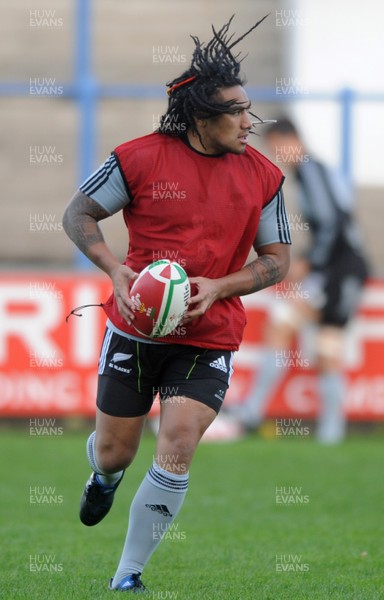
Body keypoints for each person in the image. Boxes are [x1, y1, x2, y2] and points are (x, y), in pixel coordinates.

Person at [63, 15, 291, 593]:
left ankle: (127, 575)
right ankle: (103, 475)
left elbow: (277, 261)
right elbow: (78, 213)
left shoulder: (263, 176)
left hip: (209, 334)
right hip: (136, 330)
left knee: (181, 440)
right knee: (116, 452)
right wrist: (116, 269)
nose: (248, 121)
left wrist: (218, 286)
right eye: (235, 111)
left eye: (248, 107)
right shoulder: (139, 159)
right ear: (198, 116)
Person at [236, 117, 369, 443]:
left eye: (277, 147)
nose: (277, 154)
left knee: (326, 345)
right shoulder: (310, 172)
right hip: (331, 270)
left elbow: (333, 224)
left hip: (343, 271)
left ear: (289, 139)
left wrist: (309, 262)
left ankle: (327, 430)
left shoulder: (312, 171)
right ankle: (256, 411)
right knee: (287, 327)